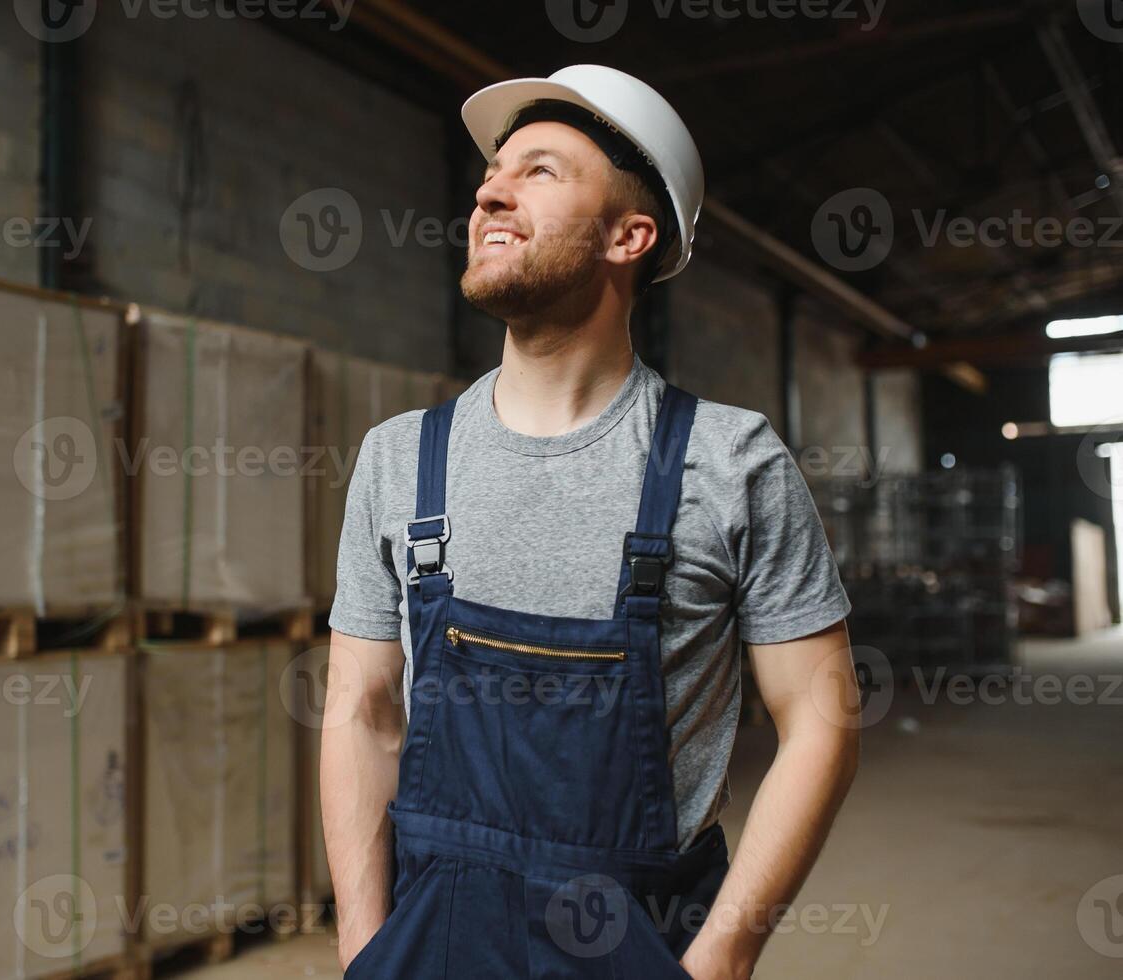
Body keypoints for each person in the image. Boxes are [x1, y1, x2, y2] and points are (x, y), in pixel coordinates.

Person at [321, 65, 860, 980]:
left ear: (629, 234)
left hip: (643, 946)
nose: (490, 189)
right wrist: (365, 947)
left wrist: (723, 956)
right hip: (430, 943)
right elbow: (361, 711)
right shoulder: (399, 459)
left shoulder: (732, 465)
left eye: (539, 171)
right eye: (493, 172)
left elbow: (822, 716)